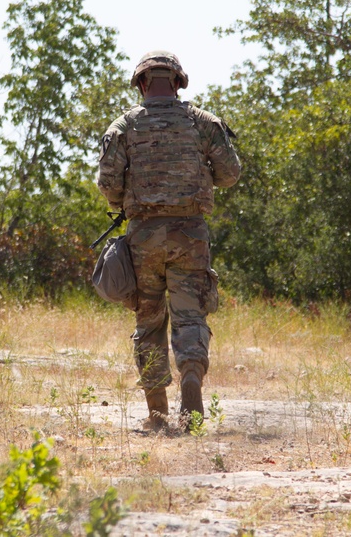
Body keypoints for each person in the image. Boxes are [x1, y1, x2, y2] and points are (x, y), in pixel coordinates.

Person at [97, 50, 241, 431]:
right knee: (190, 315)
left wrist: (121, 204)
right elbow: (230, 173)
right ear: (178, 83)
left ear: (142, 84)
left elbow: (108, 183)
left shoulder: (124, 126)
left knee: (149, 321)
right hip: (190, 234)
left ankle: (158, 414)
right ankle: (191, 381)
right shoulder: (203, 123)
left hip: (143, 237)